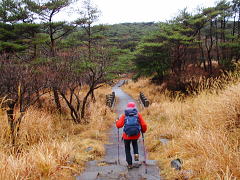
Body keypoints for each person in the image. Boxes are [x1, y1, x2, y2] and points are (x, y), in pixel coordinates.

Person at [116, 102, 147, 169]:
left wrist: (117, 122)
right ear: (134, 107)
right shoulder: (138, 114)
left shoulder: (124, 115)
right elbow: (144, 125)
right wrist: (143, 131)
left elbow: (119, 125)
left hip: (126, 136)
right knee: (135, 146)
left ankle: (130, 164)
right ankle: (136, 159)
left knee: (127, 149)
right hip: (135, 135)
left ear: (127, 107)